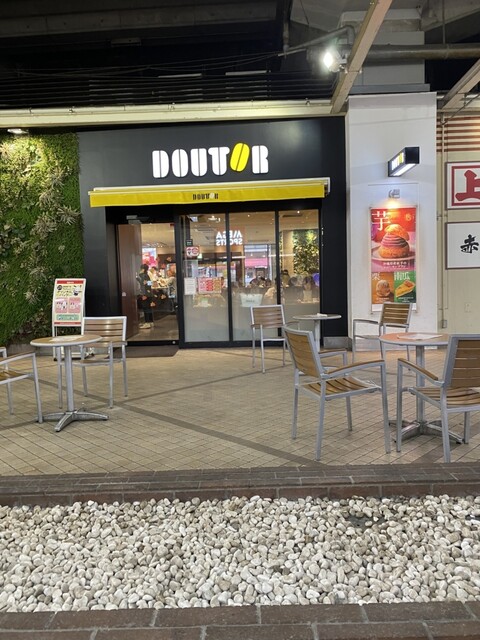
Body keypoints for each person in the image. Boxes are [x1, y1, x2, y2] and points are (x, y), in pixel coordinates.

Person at [136, 263, 155, 328]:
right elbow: (149, 284)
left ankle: (147, 323)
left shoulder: (143, 276)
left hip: (145, 295)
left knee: (146, 308)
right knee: (149, 308)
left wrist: (144, 294)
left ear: (143, 269)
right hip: (149, 294)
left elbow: (143, 285)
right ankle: (151, 322)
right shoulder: (147, 275)